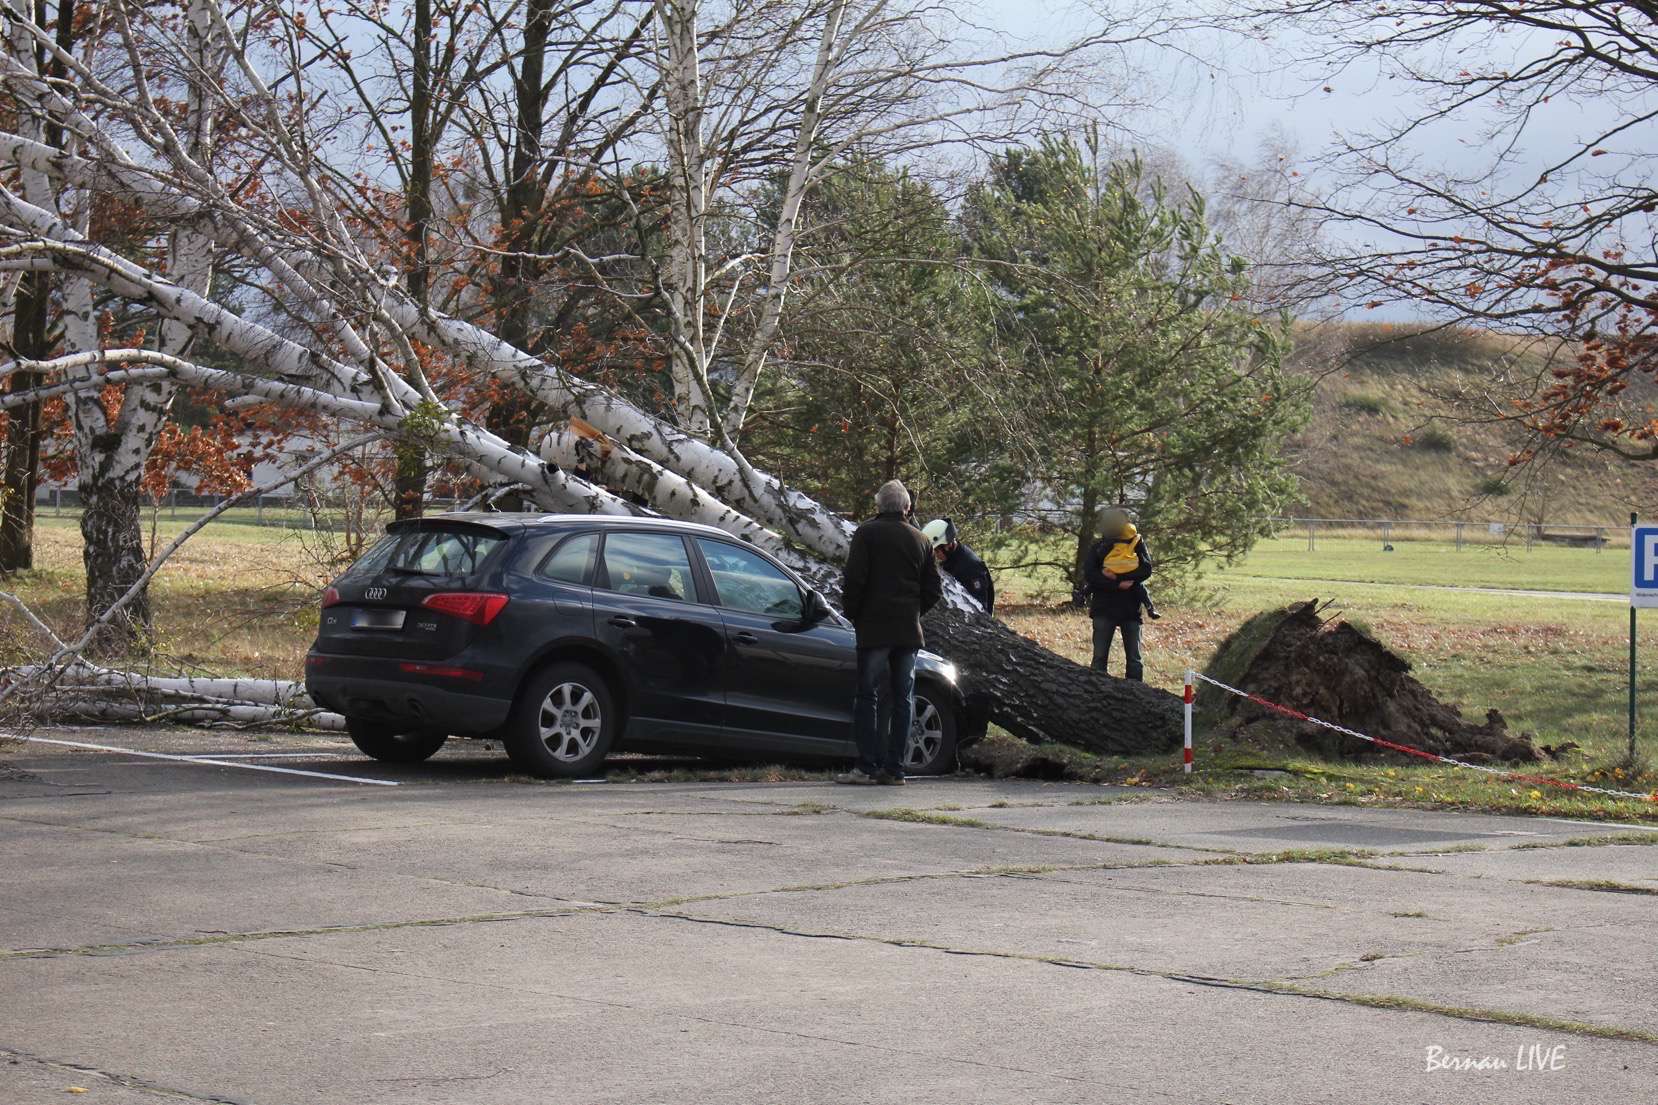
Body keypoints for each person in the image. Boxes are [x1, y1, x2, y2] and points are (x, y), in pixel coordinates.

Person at [838, 479, 944, 785]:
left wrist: (854, 613)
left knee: (867, 695)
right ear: (907, 508)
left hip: (873, 629)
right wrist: (914, 611)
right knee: (903, 698)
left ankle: (866, 765)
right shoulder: (921, 540)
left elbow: (855, 579)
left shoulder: (867, 533)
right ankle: (895, 768)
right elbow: (933, 589)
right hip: (908, 630)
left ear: (878, 506)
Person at [1082, 507, 1155, 680]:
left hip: (1131, 610)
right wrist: (1116, 584)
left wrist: (1120, 577)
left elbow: (1146, 569)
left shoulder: (1136, 544)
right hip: (1103, 608)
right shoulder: (1099, 546)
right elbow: (1091, 574)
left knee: (1135, 659)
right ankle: (1097, 691)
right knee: (1099, 657)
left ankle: (1136, 693)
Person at [921, 518, 995, 616]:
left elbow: (980, 610)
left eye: (936, 551)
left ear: (948, 545)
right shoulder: (951, 561)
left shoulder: (971, 568)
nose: (935, 555)